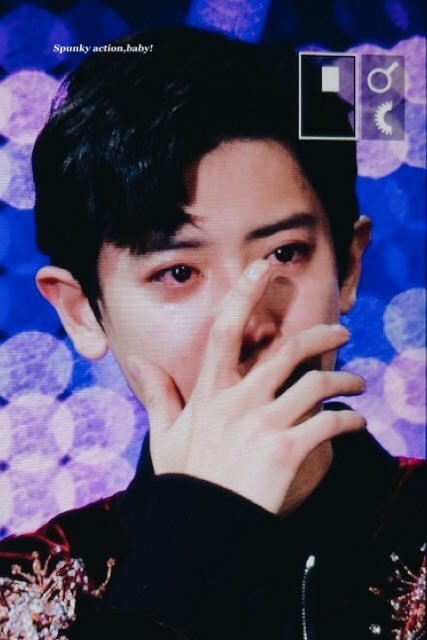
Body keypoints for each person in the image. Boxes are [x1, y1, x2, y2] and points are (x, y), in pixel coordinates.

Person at [0, 25, 425, 640]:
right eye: (178, 272)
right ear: (82, 311)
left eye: (284, 254)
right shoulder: (24, 587)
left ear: (349, 266)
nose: (246, 323)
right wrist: (191, 549)